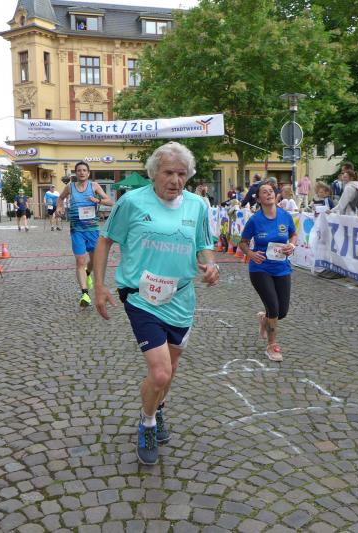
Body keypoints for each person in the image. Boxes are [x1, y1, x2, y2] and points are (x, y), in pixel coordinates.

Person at [93, 142, 219, 465]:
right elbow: (105, 241)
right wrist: (99, 286)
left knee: (171, 369)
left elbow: (204, 244)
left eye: (182, 174)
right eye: (169, 173)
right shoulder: (132, 202)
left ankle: (158, 408)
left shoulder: (197, 206)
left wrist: (210, 264)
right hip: (141, 297)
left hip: (180, 298)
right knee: (160, 373)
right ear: (154, 173)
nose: (176, 180)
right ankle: (147, 422)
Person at [238, 181, 296, 362]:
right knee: (273, 308)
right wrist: (250, 254)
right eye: (264, 192)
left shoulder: (285, 216)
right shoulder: (255, 220)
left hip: (282, 268)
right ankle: (272, 346)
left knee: (282, 312)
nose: (269, 194)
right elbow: (242, 242)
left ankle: (264, 319)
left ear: (276, 195)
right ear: (258, 199)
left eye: (271, 191)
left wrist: (292, 245)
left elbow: (293, 234)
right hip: (260, 268)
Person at [58, 161, 113, 307]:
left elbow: (110, 201)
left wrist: (98, 200)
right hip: (77, 230)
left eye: (84, 170)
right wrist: (59, 207)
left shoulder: (94, 186)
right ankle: (85, 294)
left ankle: (88, 273)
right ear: (76, 173)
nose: (82, 172)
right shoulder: (70, 187)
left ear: (88, 173)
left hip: (92, 230)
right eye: (79, 170)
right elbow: (60, 198)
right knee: (80, 261)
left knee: (94, 261)